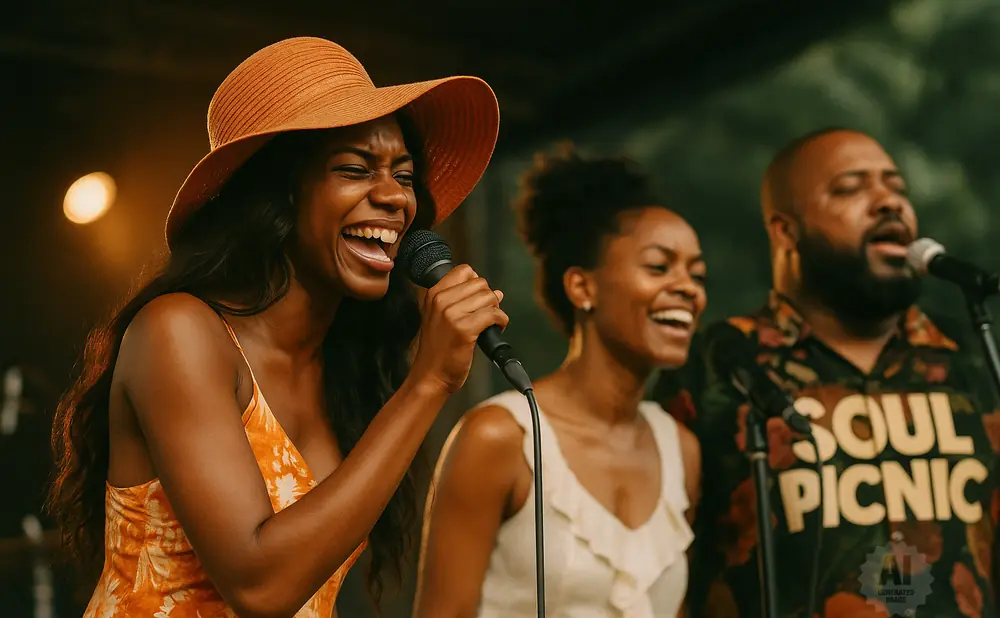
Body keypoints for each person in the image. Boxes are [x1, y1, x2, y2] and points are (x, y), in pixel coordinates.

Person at [46, 36, 504, 618]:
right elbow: (260, 587)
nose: (394, 197)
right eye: (355, 168)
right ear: (279, 193)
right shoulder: (179, 333)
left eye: (405, 176)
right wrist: (428, 383)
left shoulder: (347, 366)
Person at [654, 128, 1000, 618]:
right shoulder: (720, 363)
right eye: (851, 188)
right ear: (785, 231)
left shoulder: (972, 357)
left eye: (896, 187)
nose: (888, 202)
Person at [413, 146, 705, 618]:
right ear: (581, 287)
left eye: (697, 273)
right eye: (659, 266)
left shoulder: (682, 450)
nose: (688, 288)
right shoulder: (500, 437)